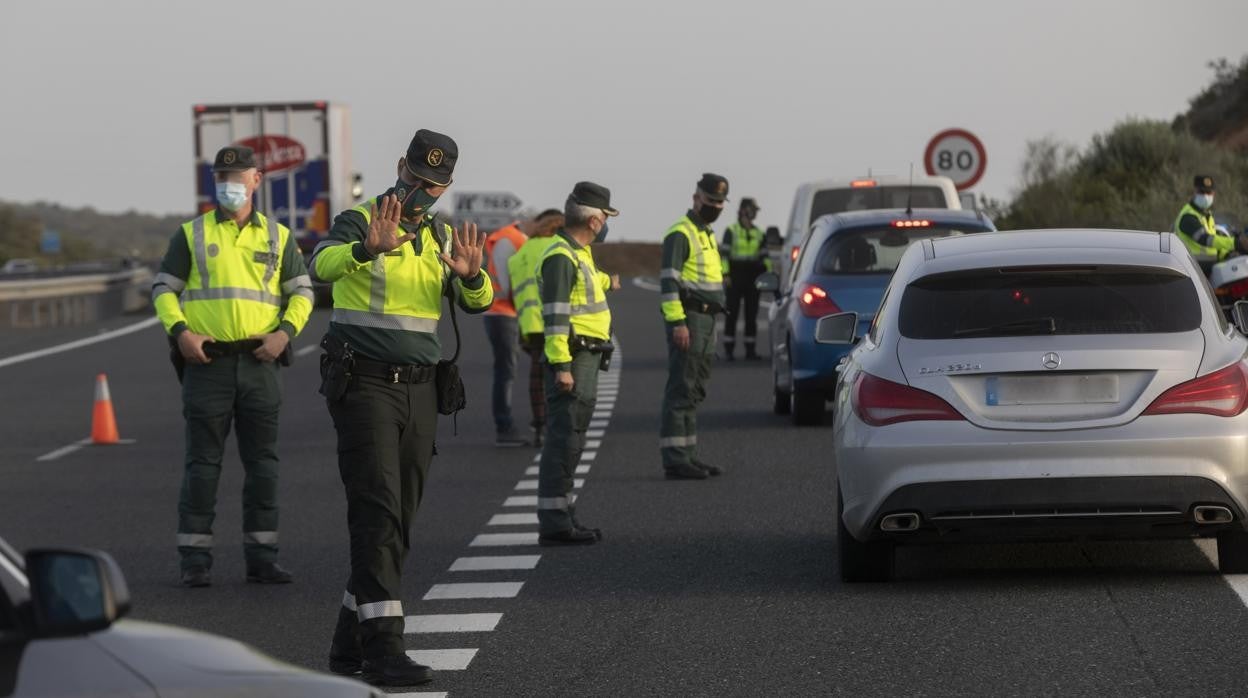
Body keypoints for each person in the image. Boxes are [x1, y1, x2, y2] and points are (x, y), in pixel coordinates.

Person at [308, 129, 491, 688]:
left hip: (422, 389)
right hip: (364, 385)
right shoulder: (362, 219)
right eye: (414, 178)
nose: (421, 191)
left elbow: (478, 302)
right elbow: (320, 265)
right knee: (379, 513)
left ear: (447, 186)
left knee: (398, 520)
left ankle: (349, 647)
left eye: (433, 184)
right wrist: (368, 248)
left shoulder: (440, 234)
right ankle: (384, 651)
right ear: (399, 167)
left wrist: (472, 274)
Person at [152, 145, 314, 588]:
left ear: (256, 180)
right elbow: (163, 289)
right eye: (222, 179)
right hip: (208, 364)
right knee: (202, 465)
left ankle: (262, 557)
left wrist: (285, 334)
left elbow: (303, 292)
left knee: (263, 465)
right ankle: (195, 559)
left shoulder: (278, 237)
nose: (229, 186)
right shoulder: (192, 234)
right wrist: (180, 331)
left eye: (238, 178)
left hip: (261, 363)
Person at [536, 182, 618, 545]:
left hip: (585, 355)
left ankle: (564, 514)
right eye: (607, 217)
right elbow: (555, 315)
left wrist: (608, 281)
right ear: (596, 221)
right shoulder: (561, 257)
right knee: (564, 439)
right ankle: (555, 521)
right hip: (573, 356)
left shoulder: (577, 254)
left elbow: (586, 282)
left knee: (573, 438)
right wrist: (561, 365)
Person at [659, 173, 729, 480]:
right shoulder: (681, 233)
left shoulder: (706, 232)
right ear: (696, 197)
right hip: (689, 319)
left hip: (707, 319)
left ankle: (688, 454)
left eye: (719, 202)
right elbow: (669, 282)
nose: (714, 206)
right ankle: (675, 458)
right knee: (682, 388)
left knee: (695, 389)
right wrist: (678, 323)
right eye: (710, 200)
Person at [483, 211, 564, 447]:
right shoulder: (509, 239)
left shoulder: (523, 242)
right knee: (506, 372)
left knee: (526, 371)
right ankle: (504, 427)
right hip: (502, 314)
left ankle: (536, 422)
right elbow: (508, 286)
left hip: (515, 315)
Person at [506, 209, 566, 448]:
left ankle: (540, 426)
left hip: (529, 323)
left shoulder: (523, 252)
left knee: (537, 376)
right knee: (562, 374)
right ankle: (559, 425)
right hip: (558, 322)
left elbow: (511, 290)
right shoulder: (560, 248)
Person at [719, 197, 770, 360]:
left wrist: (768, 275)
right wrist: (725, 275)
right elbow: (724, 256)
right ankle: (729, 349)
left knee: (751, 314)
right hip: (735, 276)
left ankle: (750, 350)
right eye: (752, 209)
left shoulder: (759, 232)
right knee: (731, 313)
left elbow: (765, 258)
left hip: (753, 277)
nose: (754, 213)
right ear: (744, 210)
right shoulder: (731, 230)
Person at [1174, 175, 1235, 263]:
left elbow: (1214, 244)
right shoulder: (1188, 216)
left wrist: (1226, 254)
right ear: (1195, 192)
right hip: (1193, 269)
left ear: (1213, 194)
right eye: (1202, 192)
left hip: (1208, 269)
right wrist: (1235, 243)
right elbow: (1206, 239)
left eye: (1208, 192)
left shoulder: (1206, 215)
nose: (1205, 196)